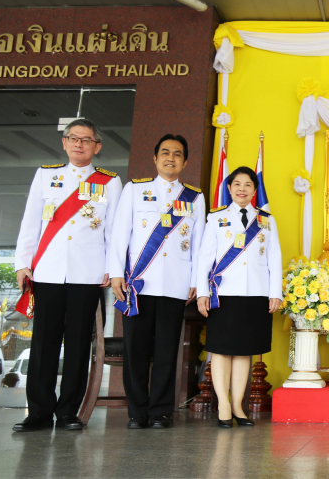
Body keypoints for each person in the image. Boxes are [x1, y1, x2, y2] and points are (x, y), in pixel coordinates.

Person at [12, 119, 123, 432]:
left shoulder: (109, 181)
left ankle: (67, 413)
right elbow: (30, 221)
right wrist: (23, 263)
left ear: (97, 146)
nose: (79, 144)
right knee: (44, 345)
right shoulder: (47, 175)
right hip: (47, 271)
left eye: (86, 140)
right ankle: (38, 413)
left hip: (87, 274)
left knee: (77, 345)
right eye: (73, 138)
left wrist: (113, 269)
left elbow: (114, 232)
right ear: (64, 142)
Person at [108, 134, 205, 429]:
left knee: (166, 351)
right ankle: (137, 412)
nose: (171, 158)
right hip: (139, 283)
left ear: (185, 161)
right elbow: (119, 234)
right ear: (155, 158)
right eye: (165, 152)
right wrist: (115, 272)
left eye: (177, 154)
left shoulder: (195, 197)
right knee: (135, 349)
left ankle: (161, 411)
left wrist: (197, 281)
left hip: (175, 285)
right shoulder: (135, 190)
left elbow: (200, 244)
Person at [196, 166, 282, 428]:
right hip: (224, 294)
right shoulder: (216, 218)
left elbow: (274, 257)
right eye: (237, 184)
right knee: (221, 351)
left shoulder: (266, 220)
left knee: (244, 351)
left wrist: (275, 292)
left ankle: (237, 406)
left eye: (247, 185)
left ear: (255, 191)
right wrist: (202, 291)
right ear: (229, 188)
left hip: (255, 293)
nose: (242, 189)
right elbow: (205, 257)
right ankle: (223, 404)